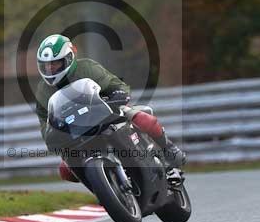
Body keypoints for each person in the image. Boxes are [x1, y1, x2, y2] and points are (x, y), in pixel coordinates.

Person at [33, 34, 186, 184]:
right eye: (46, 65)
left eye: (55, 63)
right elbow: (45, 123)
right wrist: (50, 134)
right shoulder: (42, 90)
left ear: (69, 58)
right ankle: (105, 188)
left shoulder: (87, 67)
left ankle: (168, 152)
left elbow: (116, 86)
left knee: (143, 120)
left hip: (106, 113)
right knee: (65, 170)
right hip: (75, 133)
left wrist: (118, 94)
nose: (50, 69)